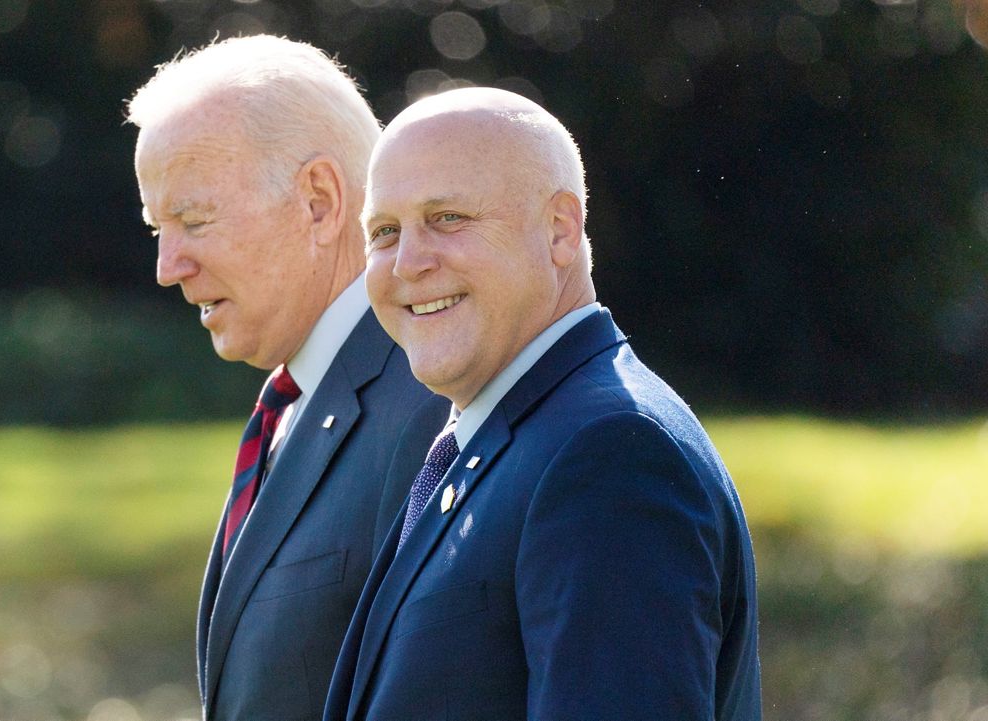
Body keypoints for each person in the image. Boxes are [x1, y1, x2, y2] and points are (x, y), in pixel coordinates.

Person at [323, 87, 762, 720]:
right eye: (385, 232)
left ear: (560, 230)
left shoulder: (609, 456)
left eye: (448, 217)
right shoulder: (511, 439)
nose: (407, 263)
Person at [127, 36, 446, 721]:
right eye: (158, 227)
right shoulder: (297, 396)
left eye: (192, 219)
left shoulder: (433, 407)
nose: (167, 264)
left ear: (320, 202)